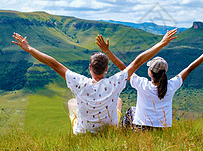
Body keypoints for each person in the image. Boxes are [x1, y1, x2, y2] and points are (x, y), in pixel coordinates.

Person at [12, 28, 177, 133]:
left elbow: (54, 64)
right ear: (107, 69)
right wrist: (162, 43)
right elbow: (138, 61)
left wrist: (29, 48)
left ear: (89, 68)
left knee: (71, 103)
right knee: (118, 100)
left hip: (84, 133)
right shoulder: (115, 82)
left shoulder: (79, 82)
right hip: (108, 131)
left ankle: (79, 124)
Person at [96, 35, 203, 130]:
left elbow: (123, 68)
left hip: (141, 129)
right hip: (162, 130)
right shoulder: (171, 85)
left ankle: (122, 134)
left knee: (131, 111)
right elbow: (189, 68)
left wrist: (107, 51)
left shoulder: (142, 84)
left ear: (150, 72)